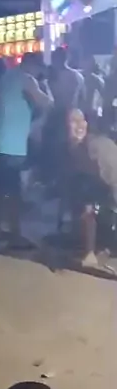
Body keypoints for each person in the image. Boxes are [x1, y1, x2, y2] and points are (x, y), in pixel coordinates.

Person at [0, 53, 53, 247]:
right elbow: (48, 103)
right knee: (14, 192)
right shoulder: (27, 79)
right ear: (32, 65)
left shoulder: (1, 80)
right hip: (11, 145)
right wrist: (45, 84)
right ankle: (15, 235)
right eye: (39, 69)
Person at [66, 108, 117, 275]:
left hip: (113, 180)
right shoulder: (74, 148)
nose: (80, 124)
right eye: (74, 121)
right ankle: (90, 254)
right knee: (87, 206)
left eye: (82, 120)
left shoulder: (96, 147)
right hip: (101, 183)